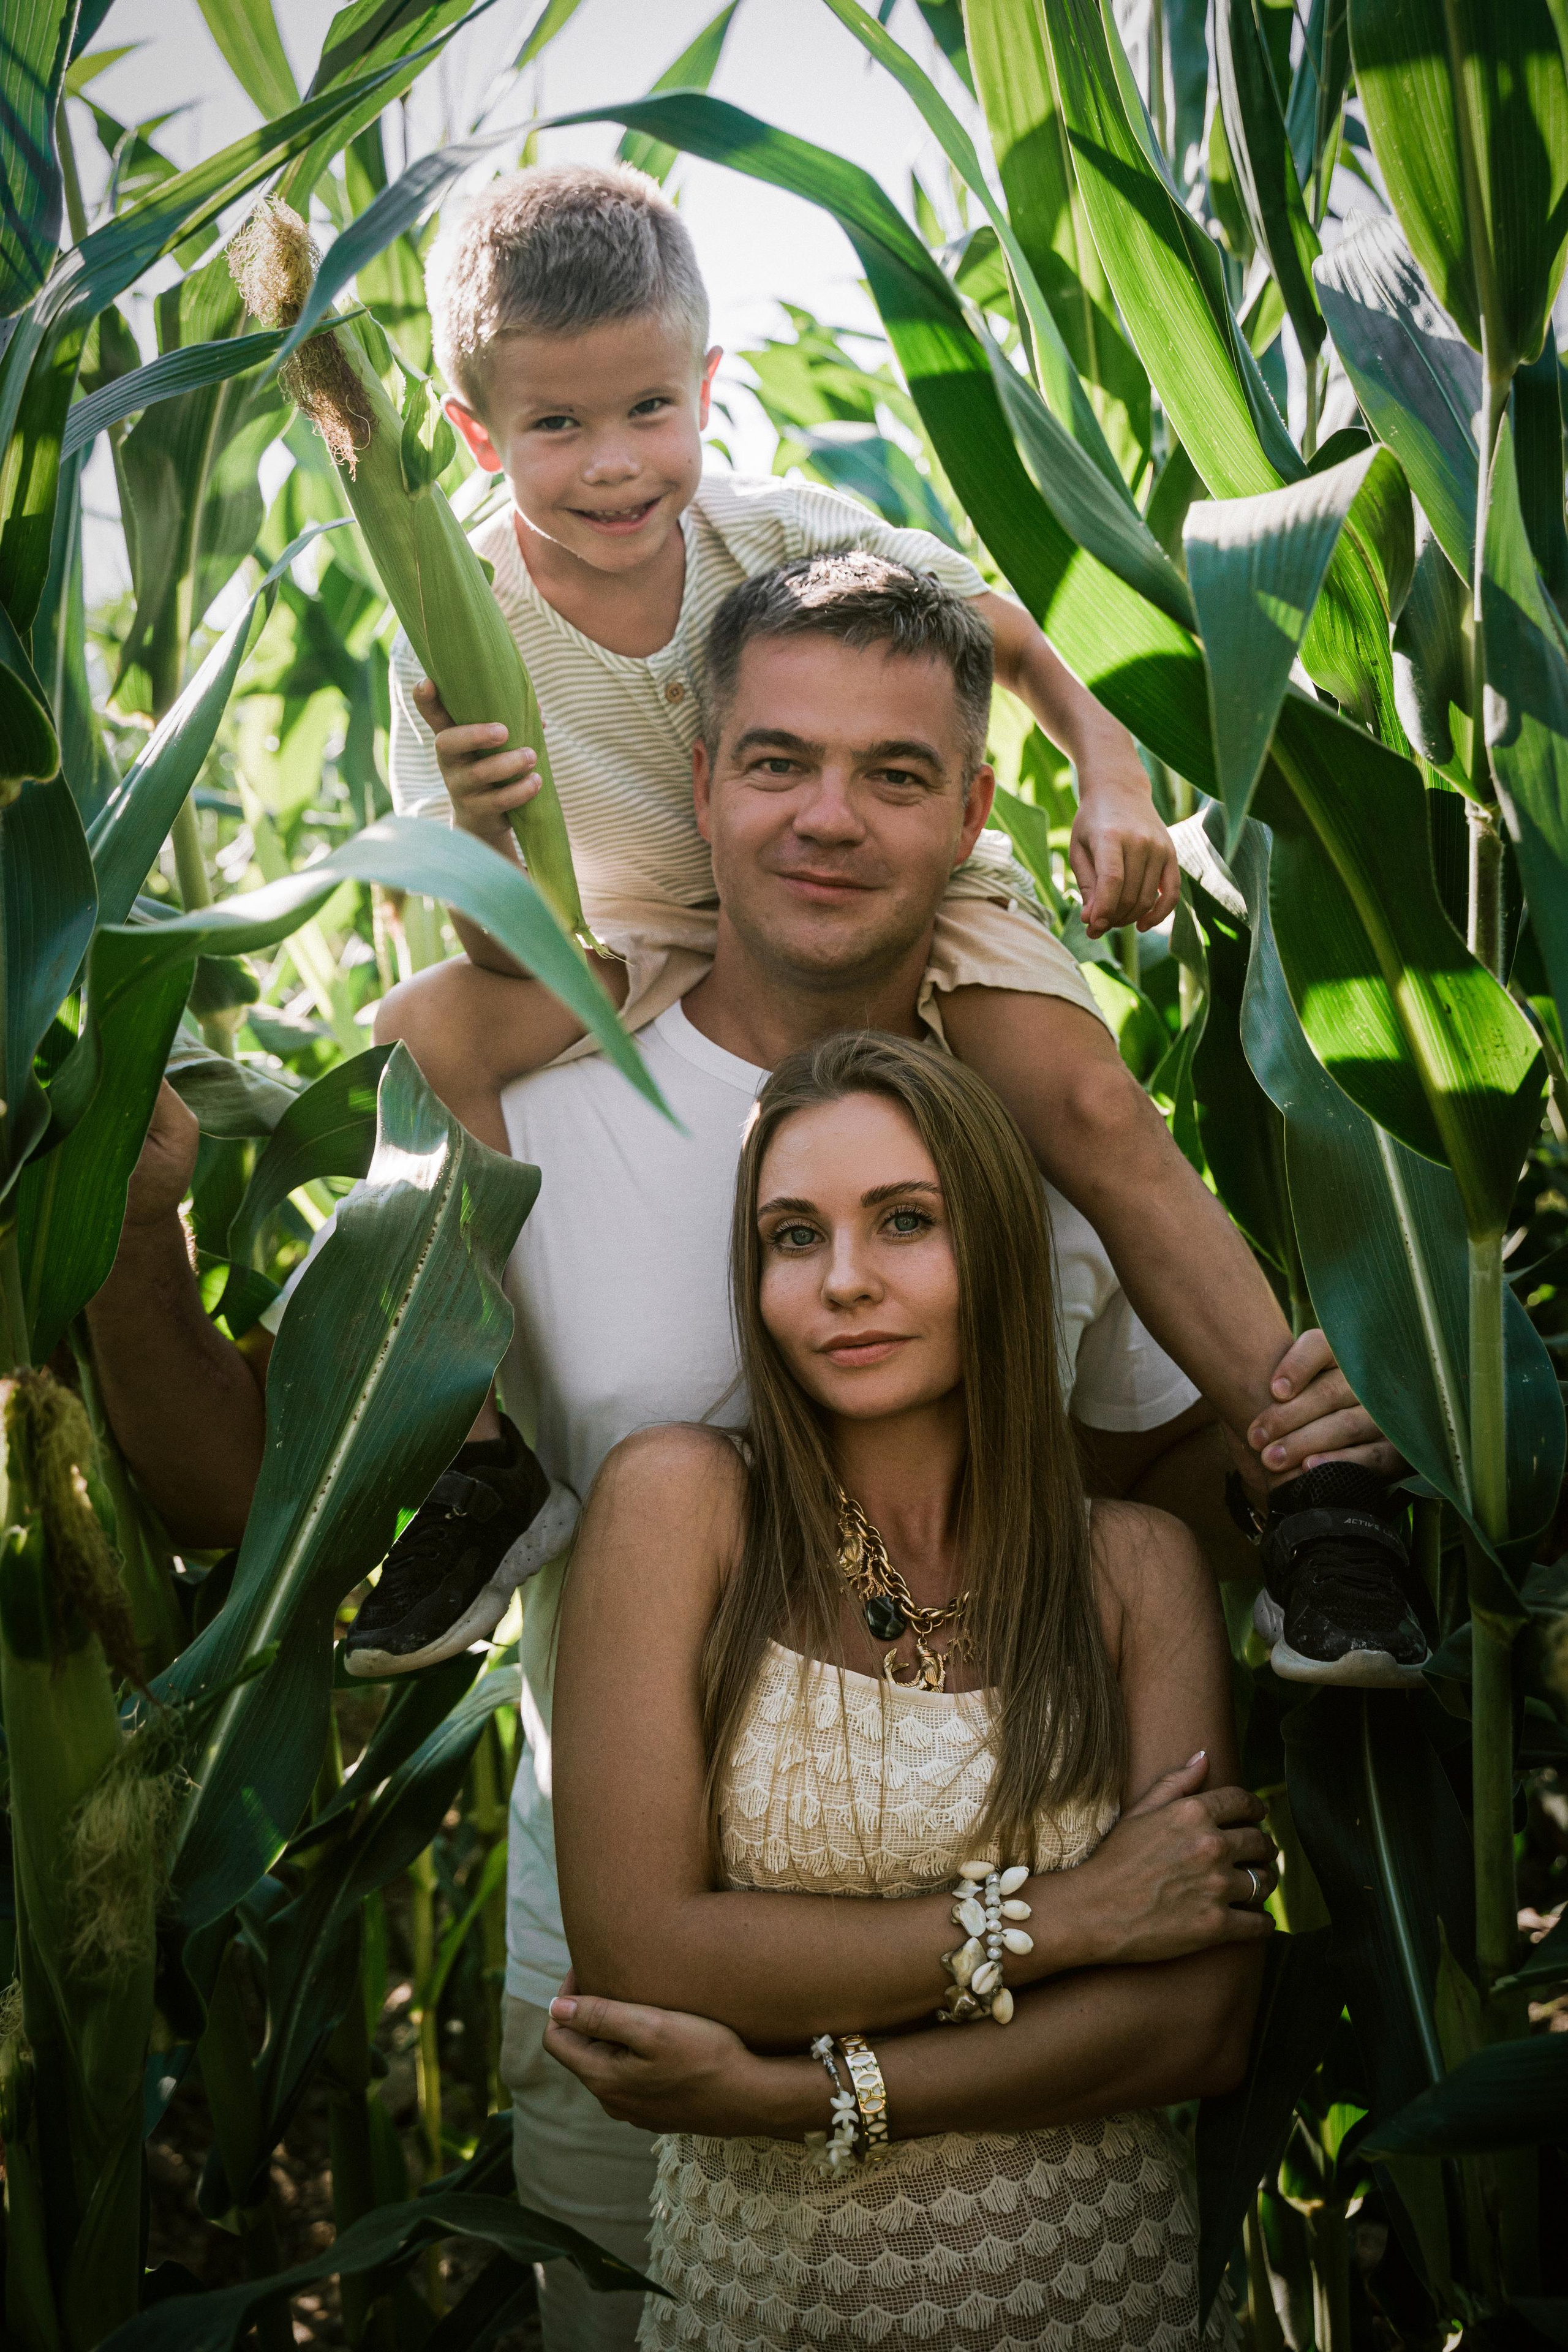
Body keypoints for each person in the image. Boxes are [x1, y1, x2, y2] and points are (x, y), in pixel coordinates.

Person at [87, 563, 1398, 2351]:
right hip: (629, 1944)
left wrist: (1300, 1454)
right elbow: (257, 1495)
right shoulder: (532, 1107)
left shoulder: (1033, 1133)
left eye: (893, 773)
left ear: (972, 810)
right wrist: (131, 1234)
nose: (829, 821)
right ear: (699, 783)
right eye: (778, 762)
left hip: (1022, 1980)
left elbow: (1148, 1521)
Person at [344, 160, 1425, 1689]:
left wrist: (1110, 769)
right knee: (418, 1045)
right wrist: (477, 838)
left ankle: (1320, 1483)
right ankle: (480, 1463)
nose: (611, 466)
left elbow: (996, 633)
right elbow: (491, 950)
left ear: (707, 383)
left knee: (1083, 1097)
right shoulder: (453, 629)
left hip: (890, 869)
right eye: (556, 427)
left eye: (650, 409)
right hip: (641, 919)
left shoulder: (777, 530)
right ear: (474, 431)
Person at [542, 1030, 1273, 2349]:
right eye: (791, 1236)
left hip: (1094, 2281)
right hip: (761, 2297)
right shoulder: (680, 1507)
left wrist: (805, 2095)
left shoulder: (1131, 1572)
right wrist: (1071, 1918)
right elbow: (641, 1951)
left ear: (994, 1246)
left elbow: (1190, 2028)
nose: (843, 1283)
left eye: (902, 1222)